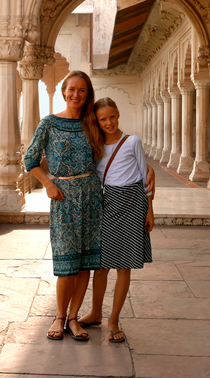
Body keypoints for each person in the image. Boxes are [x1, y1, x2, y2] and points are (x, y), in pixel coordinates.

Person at [23, 70, 105, 342]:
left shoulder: (92, 123)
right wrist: (47, 183)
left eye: (82, 90)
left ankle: (74, 318)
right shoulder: (49, 123)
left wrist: (145, 169)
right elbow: (30, 159)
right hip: (63, 197)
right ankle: (59, 315)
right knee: (66, 260)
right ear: (63, 91)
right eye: (72, 89)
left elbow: (117, 142)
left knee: (85, 263)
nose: (76, 95)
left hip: (92, 196)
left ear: (87, 94)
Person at [77, 97, 154, 344]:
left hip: (133, 203)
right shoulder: (95, 145)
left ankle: (114, 320)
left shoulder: (132, 142)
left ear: (118, 115)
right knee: (101, 266)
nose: (108, 123)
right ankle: (96, 312)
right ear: (96, 122)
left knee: (124, 266)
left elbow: (145, 176)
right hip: (107, 204)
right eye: (103, 119)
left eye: (112, 117)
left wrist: (149, 210)